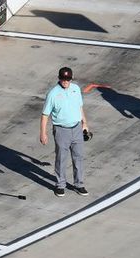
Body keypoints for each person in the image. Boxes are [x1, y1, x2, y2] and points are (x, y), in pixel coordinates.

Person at [40, 66, 90, 197]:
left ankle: (79, 184)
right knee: (61, 158)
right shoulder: (53, 94)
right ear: (59, 78)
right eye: (63, 79)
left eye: (68, 79)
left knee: (78, 157)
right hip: (61, 130)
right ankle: (60, 185)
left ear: (71, 78)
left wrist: (85, 123)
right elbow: (45, 114)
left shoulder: (76, 89)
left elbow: (79, 107)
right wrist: (43, 133)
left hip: (77, 127)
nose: (65, 81)